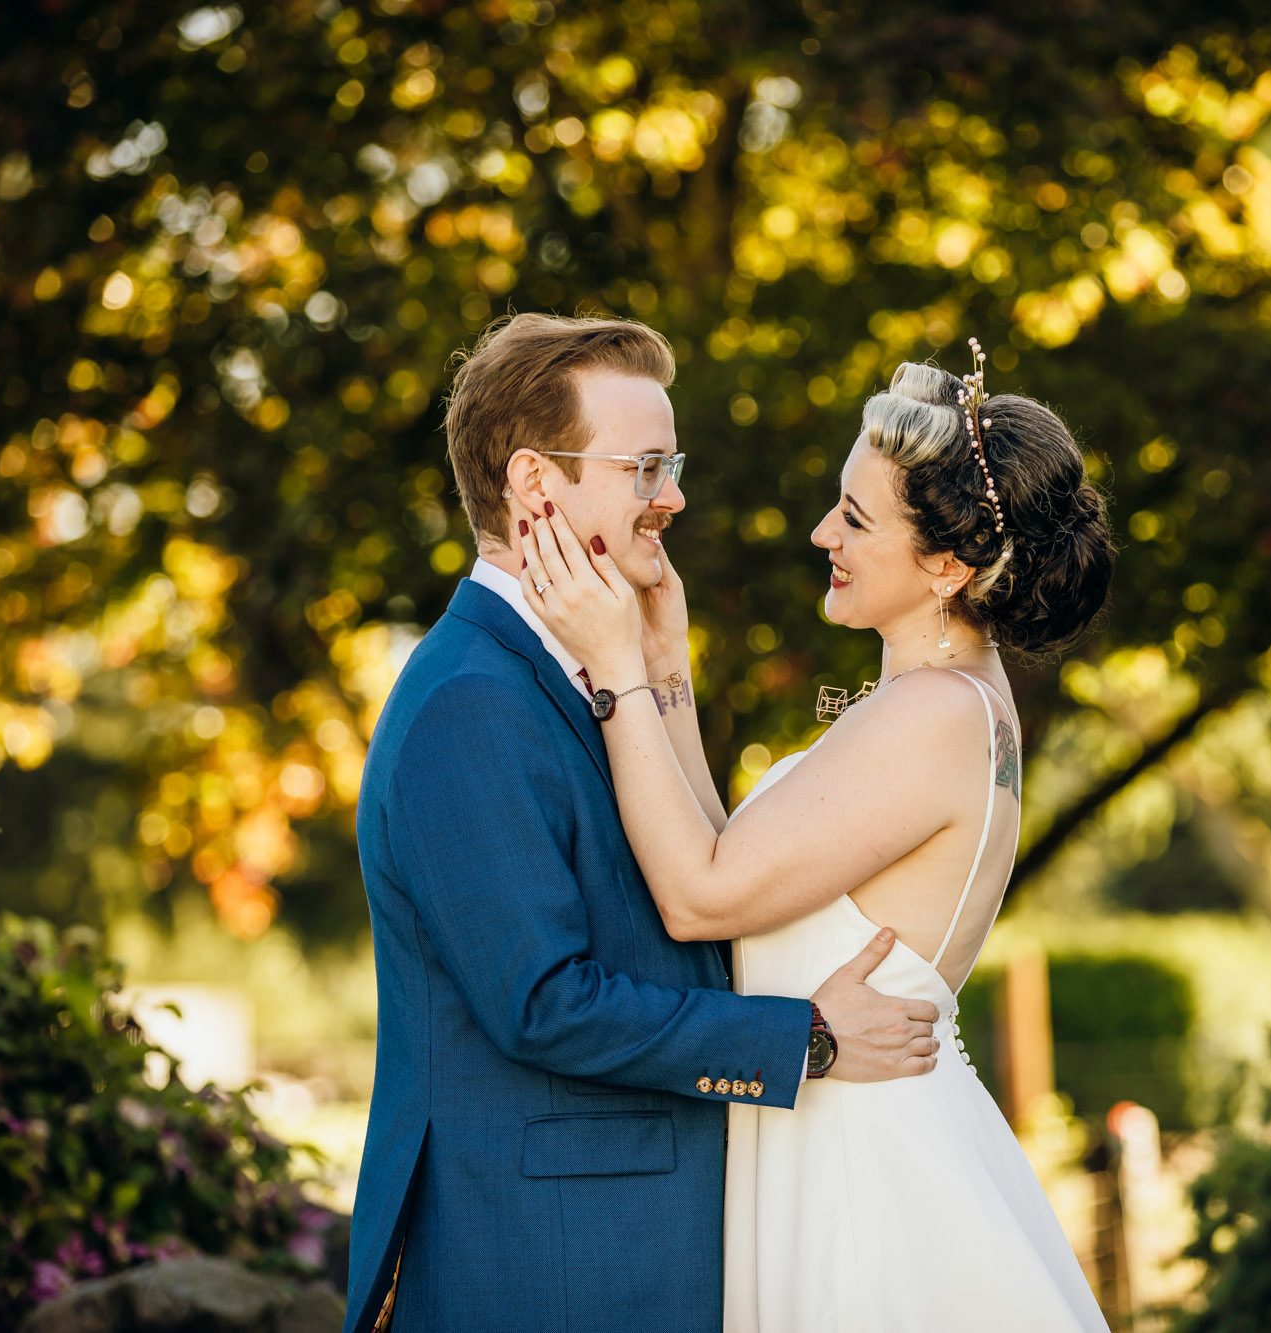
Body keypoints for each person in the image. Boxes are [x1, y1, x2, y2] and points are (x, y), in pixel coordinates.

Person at [343, 313, 941, 1333]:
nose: (671, 497)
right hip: (546, 1259)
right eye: (645, 467)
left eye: (672, 463)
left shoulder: (573, 672)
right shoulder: (468, 701)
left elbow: (698, 886)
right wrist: (807, 1040)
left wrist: (662, 674)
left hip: (614, 1244)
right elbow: (543, 1001)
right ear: (536, 485)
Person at [523, 344, 1117, 1332]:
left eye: (853, 516)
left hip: (863, 1180)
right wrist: (665, 664)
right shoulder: (947, 701)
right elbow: (730, 869)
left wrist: (614, 663)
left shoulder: (930, 714)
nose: (819, 531)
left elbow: (695, 897)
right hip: (839, 1137)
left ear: (945, 563)